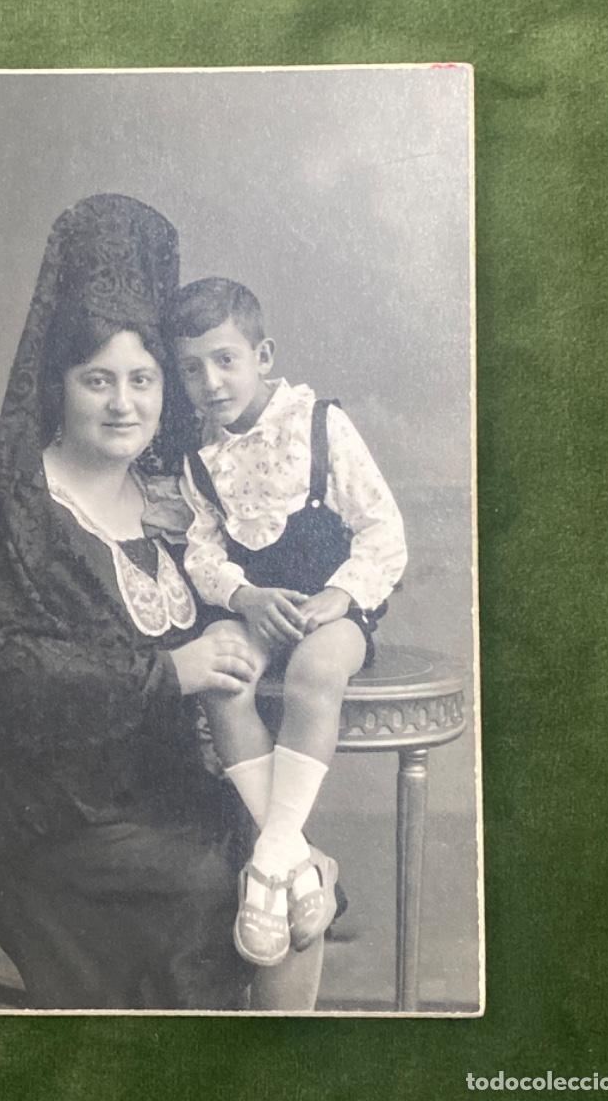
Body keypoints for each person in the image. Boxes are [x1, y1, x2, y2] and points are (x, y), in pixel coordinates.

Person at [0, 197, 322, 1010]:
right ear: (58, 384)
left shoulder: (176, 497)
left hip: (157, 788)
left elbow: (265, 577)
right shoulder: (6, 498)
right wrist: (168, 672)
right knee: (224, 883)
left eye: (142, 380)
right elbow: (1, 666)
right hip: (35, 804)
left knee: (286, 873)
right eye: (96, 380)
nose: (122, 403)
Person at [165, 276, 407, 968]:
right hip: (259, 609)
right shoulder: (199, 459)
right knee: (223, 677)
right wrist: (242, 597)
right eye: (191, 368)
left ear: (262, 356)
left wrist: (340, 596)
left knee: (314, 671)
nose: (210, 382)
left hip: (333, 607)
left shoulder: (320, 425)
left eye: (225, 360)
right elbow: (201, 549)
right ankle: (299, 865)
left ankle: (269, 860)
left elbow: (382, 529)